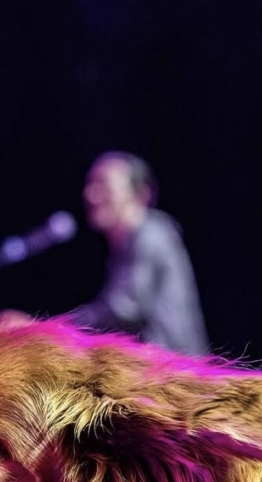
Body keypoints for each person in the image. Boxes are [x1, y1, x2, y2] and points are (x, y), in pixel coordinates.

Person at [73, 151, 209, 355]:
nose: (91, 194)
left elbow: (125, 309)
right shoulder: (125, 247)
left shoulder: (152, 234)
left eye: (103, 185)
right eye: (90, 184)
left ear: (140, 195)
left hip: (174, 378)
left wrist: (52, 327)